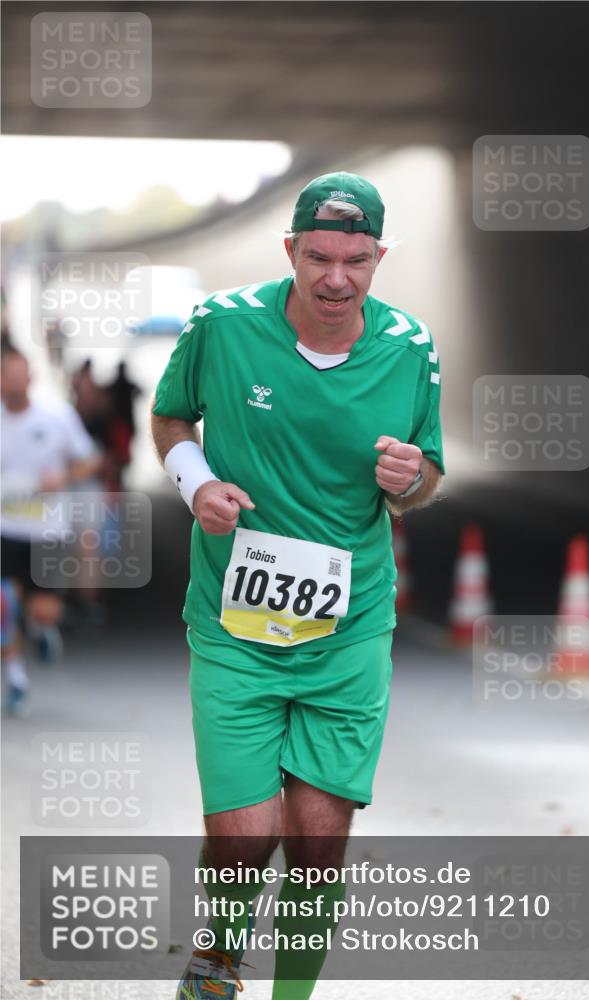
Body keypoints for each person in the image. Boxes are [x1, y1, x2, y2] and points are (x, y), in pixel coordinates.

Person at [151, 172, 445, 1000]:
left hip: (347, 631)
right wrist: (195, 482)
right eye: (317, 256)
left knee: (318, 847)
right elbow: (171, 416)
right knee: (244, 840)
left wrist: (412, 475)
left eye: (355, 260)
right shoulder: (223, 325)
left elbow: (425, 478)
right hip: (234, 625)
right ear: (289, 250)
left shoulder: (410, 348)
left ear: (378, 258)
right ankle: (217, 955)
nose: (335, 278)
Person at [1, 349, 100, 714]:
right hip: (6, 531)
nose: (14, 381)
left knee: (43, 610)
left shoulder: (56, 417)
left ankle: (41, 628)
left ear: (31, 378)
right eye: (7, 375)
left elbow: (92, 458)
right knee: (3, 606)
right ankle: (16, 680)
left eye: (20, 374)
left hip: (48, 532)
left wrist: (65, 477)